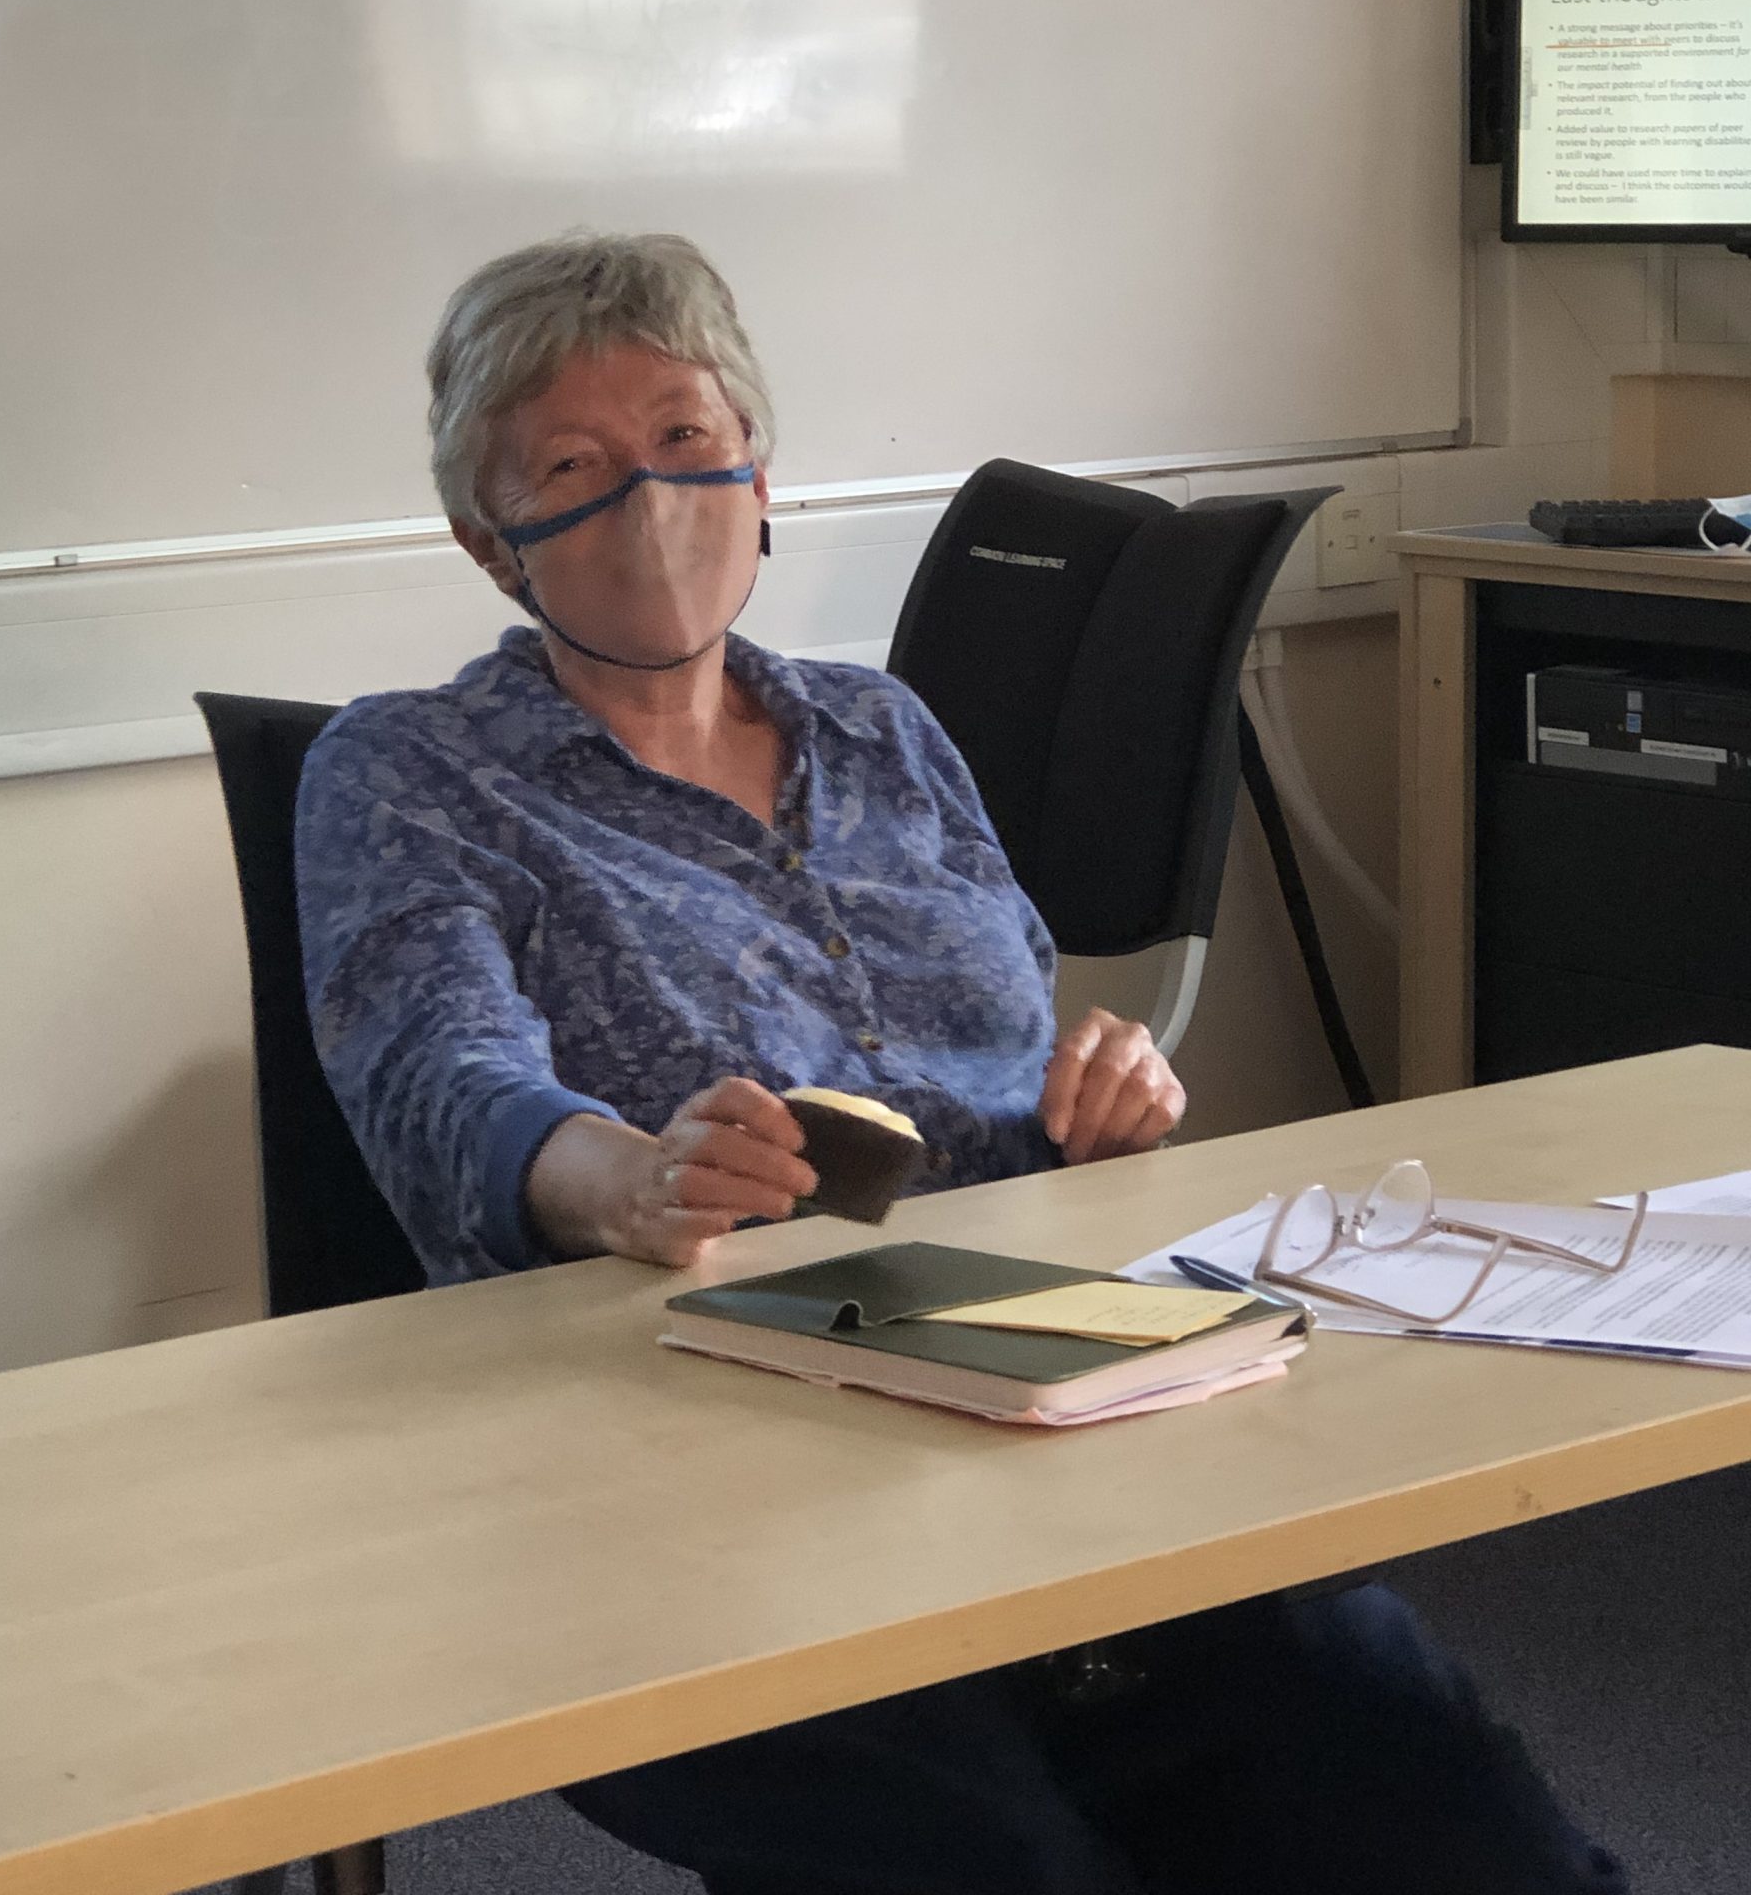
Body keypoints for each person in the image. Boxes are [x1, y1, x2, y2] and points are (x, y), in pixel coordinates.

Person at [294, 231, 1626, 1895]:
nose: (650, 501)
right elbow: (439, 1083)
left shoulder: (884, 730)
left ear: (760, 471)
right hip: (694, 1491)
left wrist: (1109, 1100)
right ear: (489, 541)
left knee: (1459, 1829)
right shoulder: (404, 772)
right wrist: (626, 1178)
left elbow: (1012, 1045)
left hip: (1057, 1410)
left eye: (690, 440)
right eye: (571, 465)